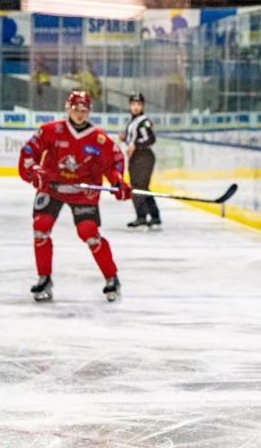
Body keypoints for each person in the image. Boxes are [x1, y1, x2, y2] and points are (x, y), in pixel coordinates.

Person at [17, 90, 132, 302]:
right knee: (41, 226)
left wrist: (117, 181)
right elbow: (29, 152)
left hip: (83, 192)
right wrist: (34, 170)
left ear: (89, 111)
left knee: (88, 232)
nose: (80, 113)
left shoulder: (99, 138)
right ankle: (44, 278)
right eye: (75, 108)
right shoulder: (51, 130)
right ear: (67, 108)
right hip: (52, 187)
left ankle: (112, 278)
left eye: (84, 109)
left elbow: (113, 162)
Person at [121, 92, 161, 229]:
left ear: (143, 106)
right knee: (142, 187)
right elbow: (133, 139)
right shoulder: (133, 121)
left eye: (139, 104)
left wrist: (136, 145)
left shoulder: (144, 121)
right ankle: (155, 216)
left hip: (144, 157)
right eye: (133, 104)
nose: (136, 107)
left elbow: (151, 139)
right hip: (136, 157)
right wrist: (125, 138)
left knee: (138, 188)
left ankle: (142, 216)